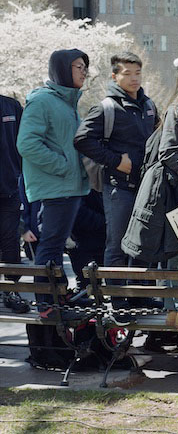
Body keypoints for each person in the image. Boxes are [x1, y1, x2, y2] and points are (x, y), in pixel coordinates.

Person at [74, 52, 158, 296]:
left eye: (137, 73)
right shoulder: (106, 107)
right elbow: (82, 139)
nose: (134, 78)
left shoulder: (149, 105)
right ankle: (119, 302)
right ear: (114, 76)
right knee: (118, 246)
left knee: (143, 246)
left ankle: (140, 299)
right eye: (127, 73)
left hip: (147, 189)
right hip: (118, 189)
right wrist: (115, 161)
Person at [17, 50, 91, 306]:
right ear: (61, 69)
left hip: (70, 187)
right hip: (55, 186)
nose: (84, 71)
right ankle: (49, 305)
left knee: (58, 246)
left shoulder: (66, 103)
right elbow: (26, 143)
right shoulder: (42, 101)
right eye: (78, 66)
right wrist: (63, 166)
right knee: (50, 247)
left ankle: (57, 300)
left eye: (85, 67)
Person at [1, 93, 28, 313]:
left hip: (9, 189)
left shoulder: (10, 106)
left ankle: (12, 291)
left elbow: (24, 144)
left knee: (10, 242)